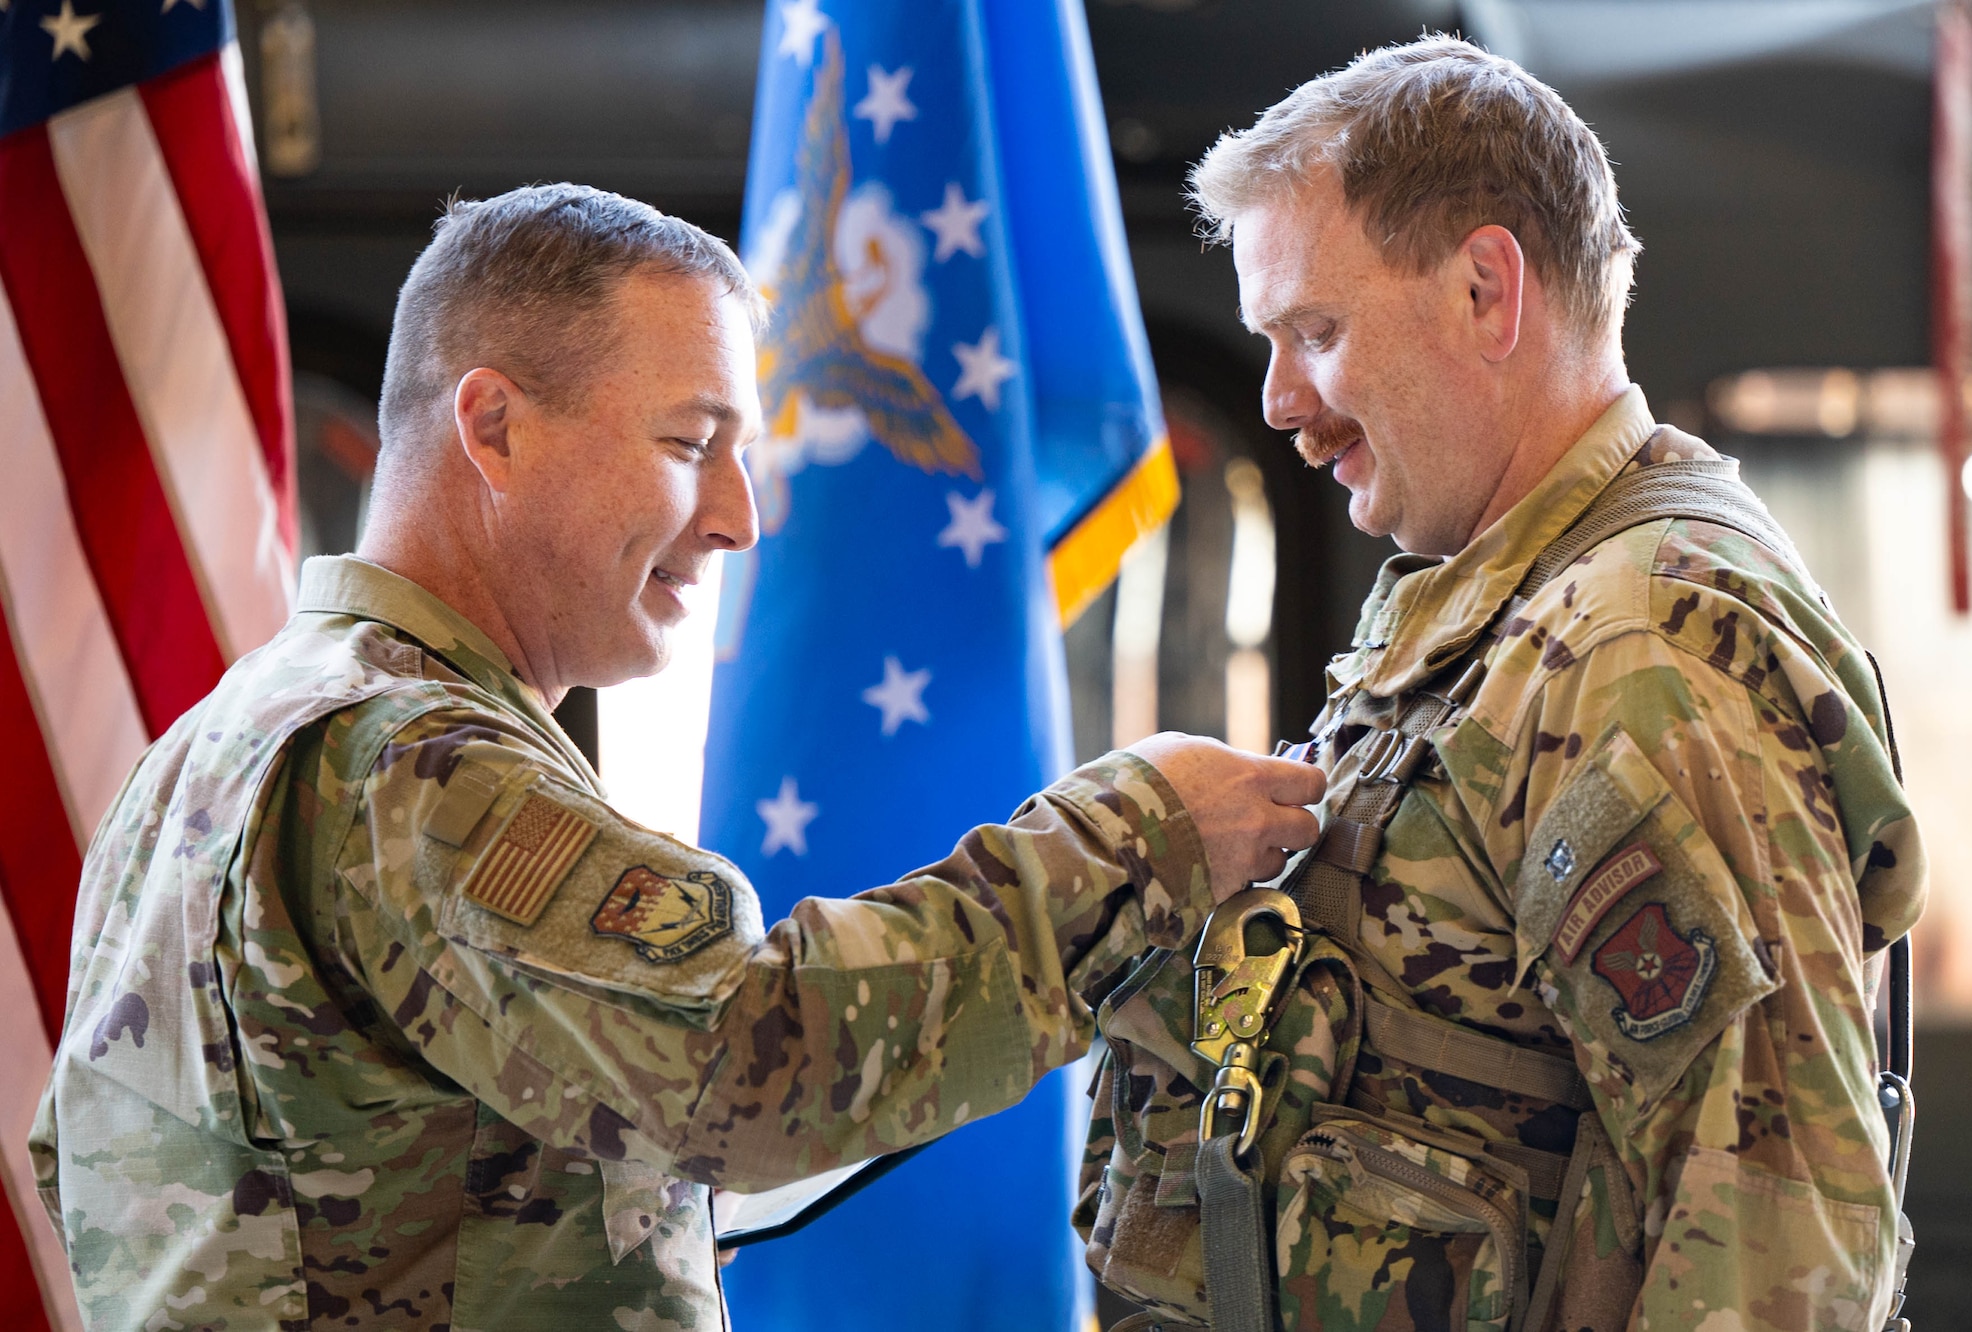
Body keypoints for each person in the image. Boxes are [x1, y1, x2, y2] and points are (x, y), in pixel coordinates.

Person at [29, 184, 1327, 1331]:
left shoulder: (209, 749)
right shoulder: (412, 766)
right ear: (492, 427)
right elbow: (739, 1062)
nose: (737, 519)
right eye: (689, 444)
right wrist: (1139, 833)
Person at [1074, 36, 1924, 1332]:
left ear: (1485, 291)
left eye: (1316, 330)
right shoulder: (1508, 618)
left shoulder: (1640, 656)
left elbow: (1776, 1257)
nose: (1281, 401)